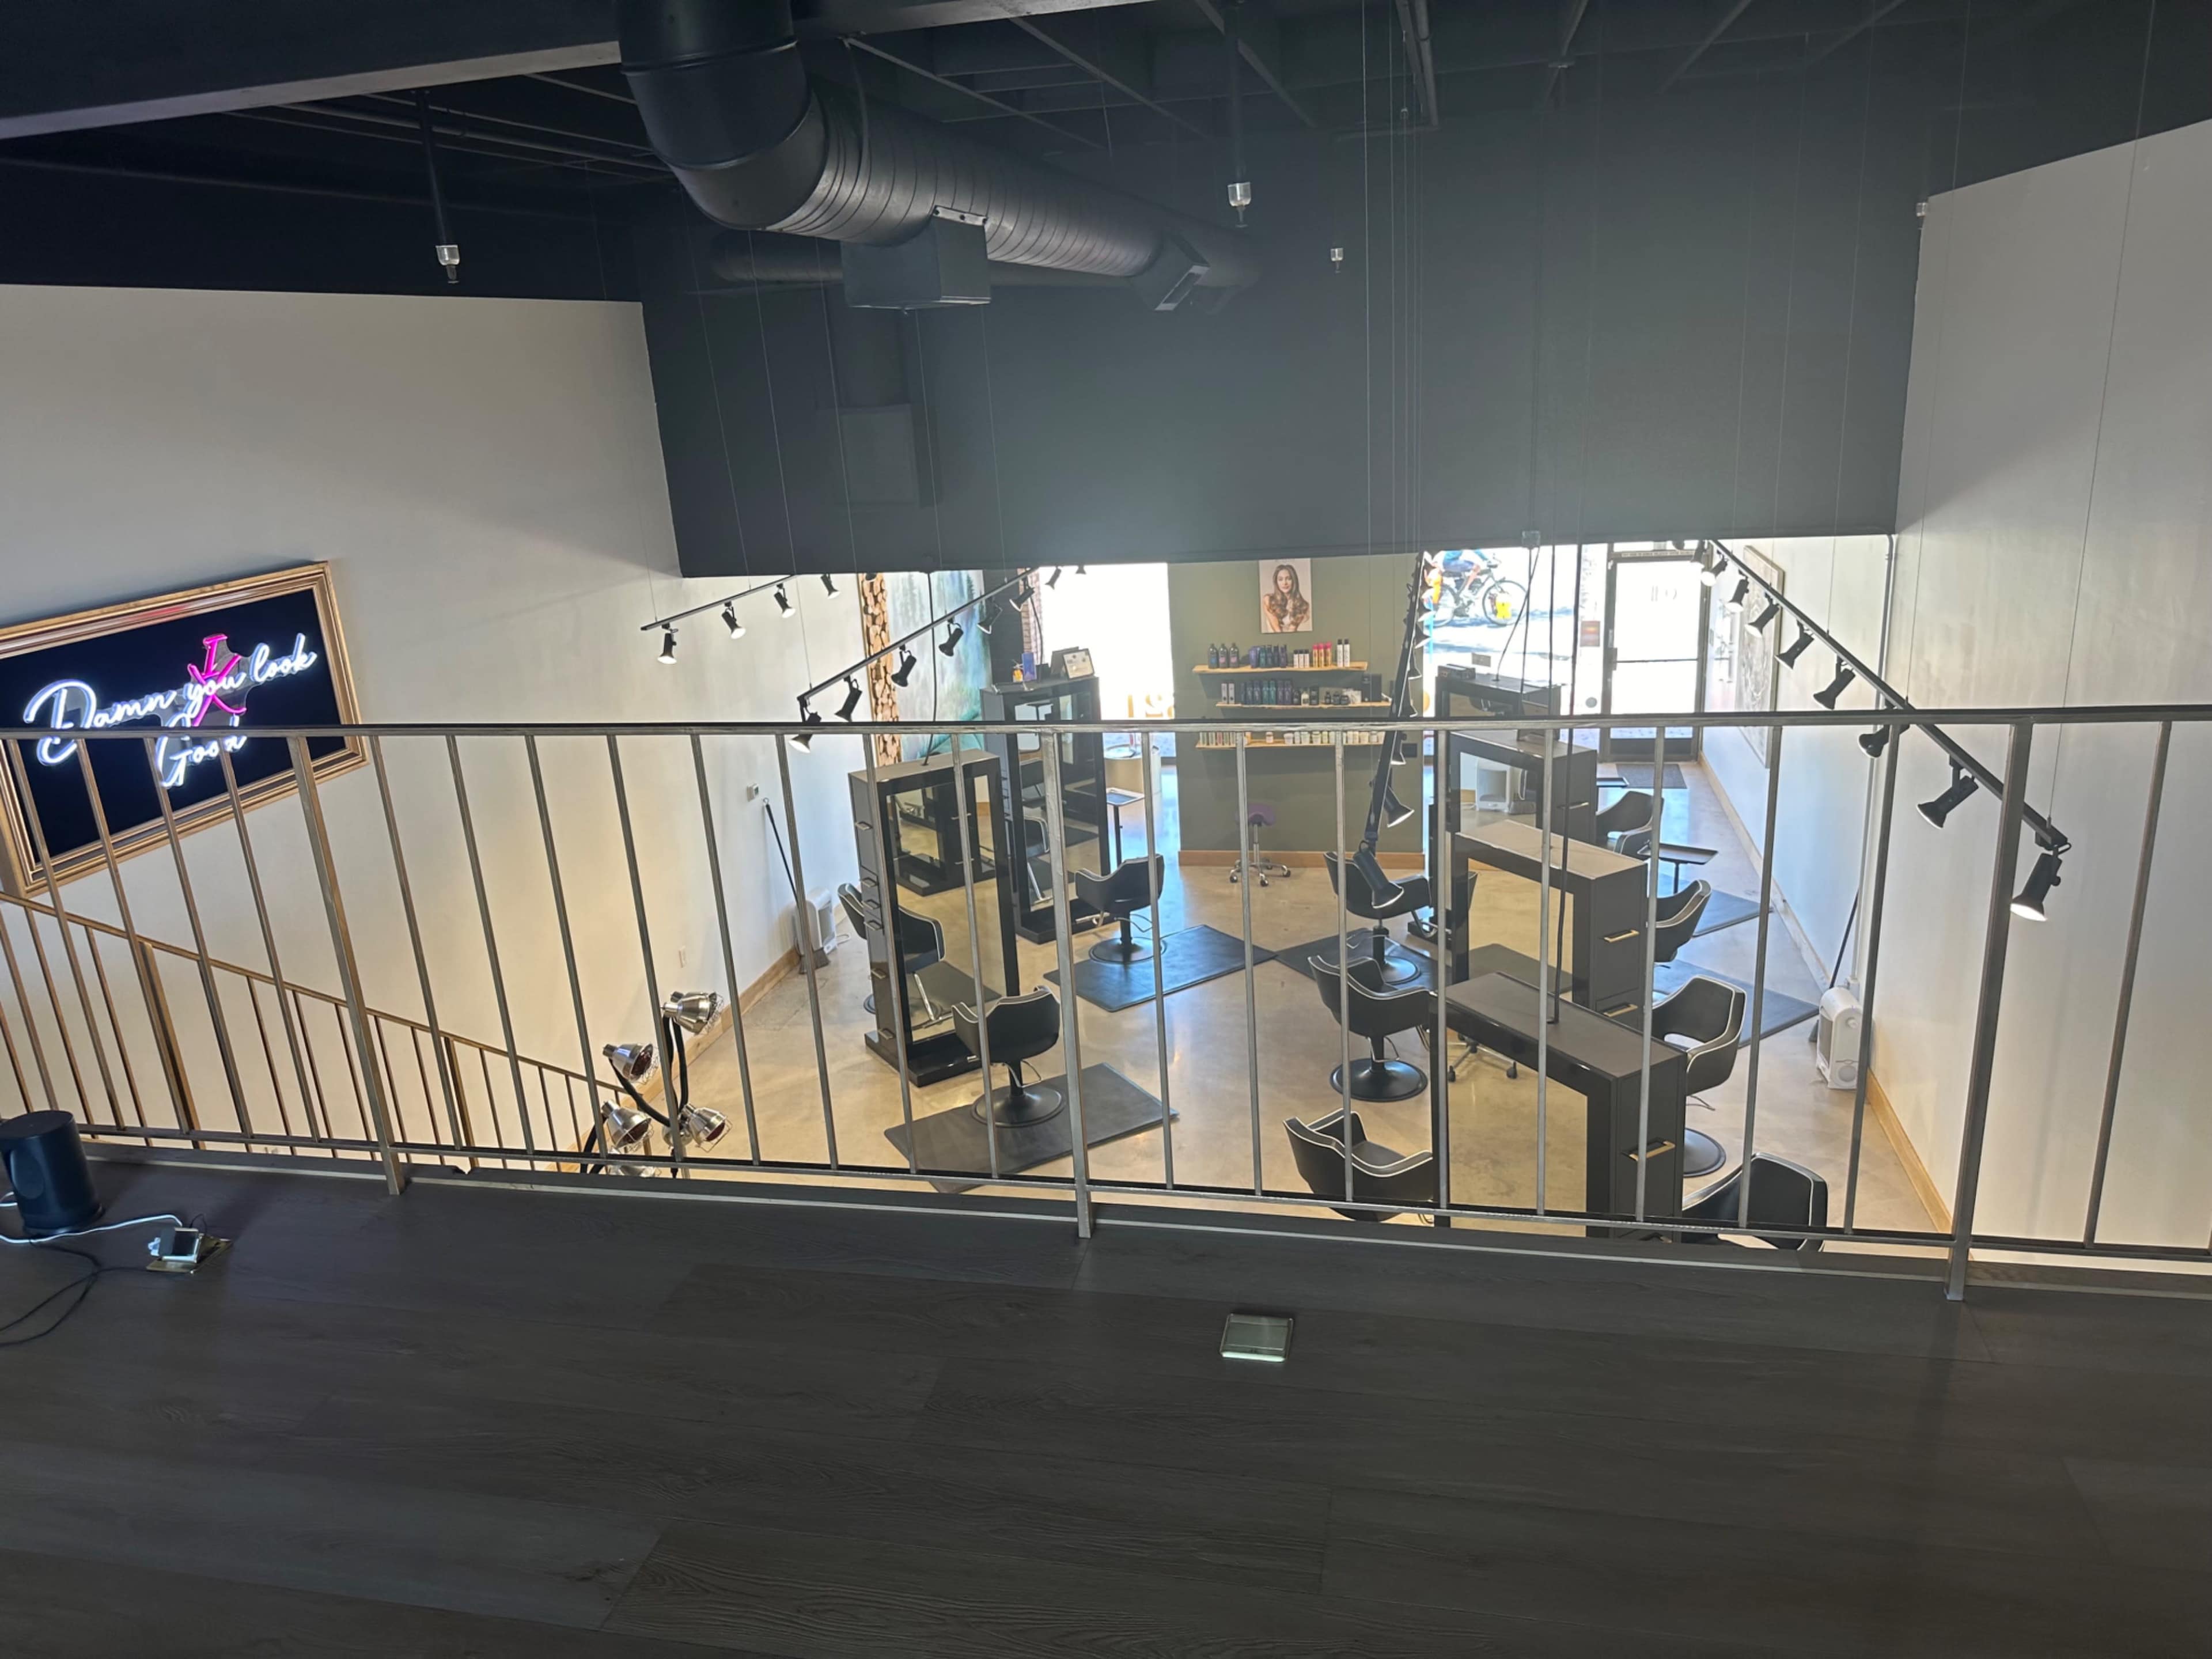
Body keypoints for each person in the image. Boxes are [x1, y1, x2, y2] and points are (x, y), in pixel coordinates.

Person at [1262, 562, 1311, 634]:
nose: (1285, 583)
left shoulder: (1302, 605)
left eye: (1289, 579)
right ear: (1276, 582)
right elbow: (1277, 631)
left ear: (1294, 581)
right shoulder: (1268, 600)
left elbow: (1292, 631)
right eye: (1280, 579)